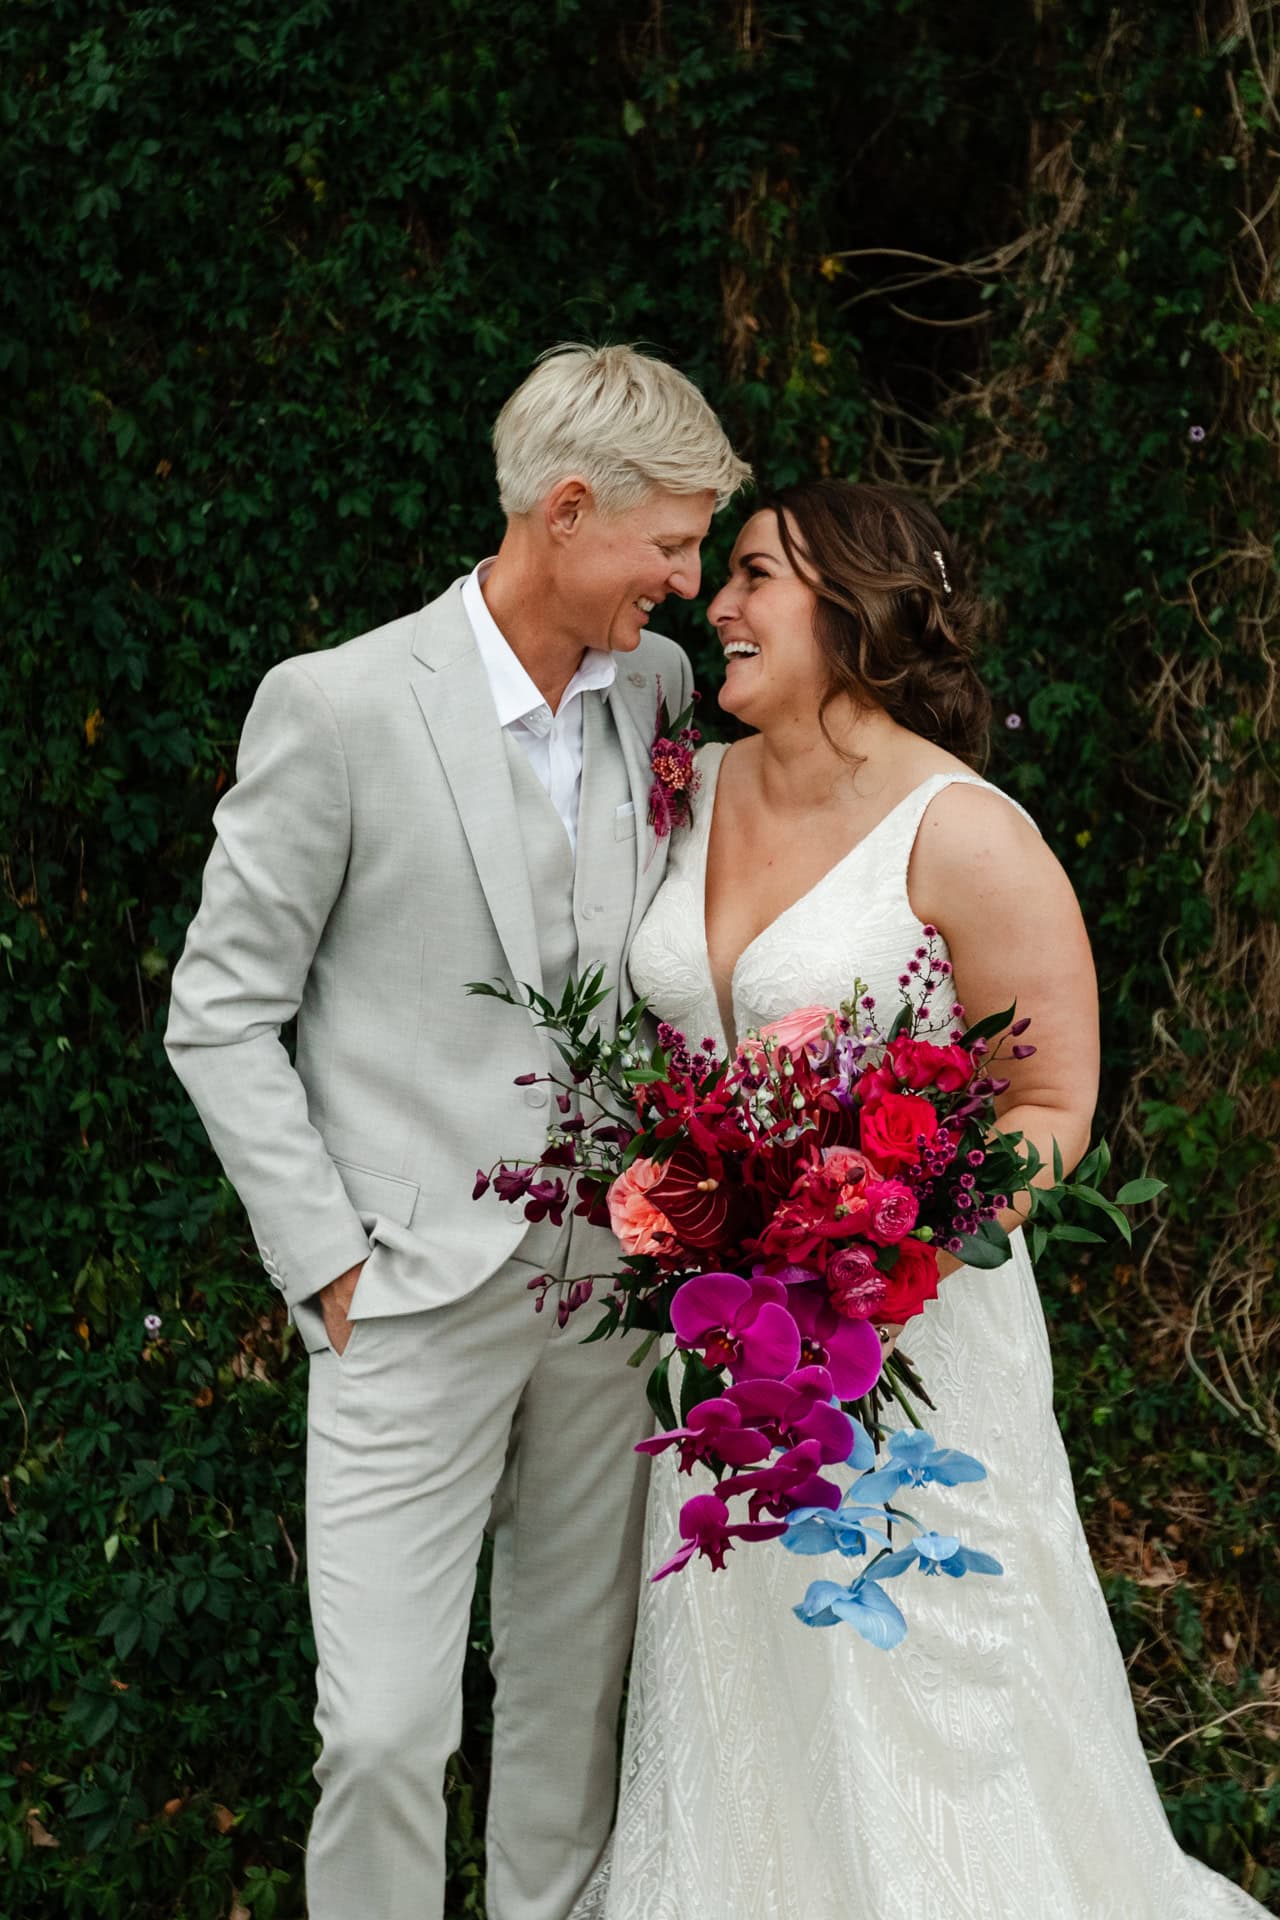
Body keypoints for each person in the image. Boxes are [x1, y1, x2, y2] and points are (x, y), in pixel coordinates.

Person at [573, 479, 1265, 1919]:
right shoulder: (687, 791)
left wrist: (899, 1237)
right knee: (751, 1706)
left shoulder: (961, 830)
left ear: (853, 602)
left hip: (911, 1351)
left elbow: (1056, 1101)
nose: (721, 607)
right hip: (723, 1352)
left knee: (928, 1704)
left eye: (754, 575)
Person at [164, 343, 750, 1920]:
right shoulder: (340, 706)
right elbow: (218, 1010)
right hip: (405, 1298)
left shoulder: (662, 696)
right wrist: (329, 1263)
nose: (689, 585)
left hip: (607, 1303)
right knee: (381, 1733)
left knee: (568, 1726)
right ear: (568, 511)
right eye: (670, 545)